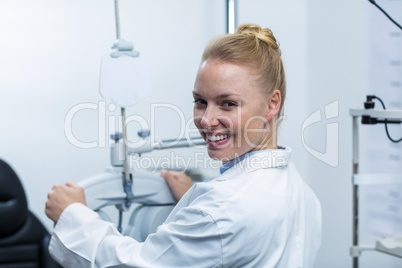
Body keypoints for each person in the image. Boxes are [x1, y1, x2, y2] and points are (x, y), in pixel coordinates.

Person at [45, 23, 321, 267]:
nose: (207, 120)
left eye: (228, 103)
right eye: (200, 101)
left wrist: (73, 217)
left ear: (272, 104)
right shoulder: (301, 192)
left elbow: (134, 264)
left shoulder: (223, 211)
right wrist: (195, 200)